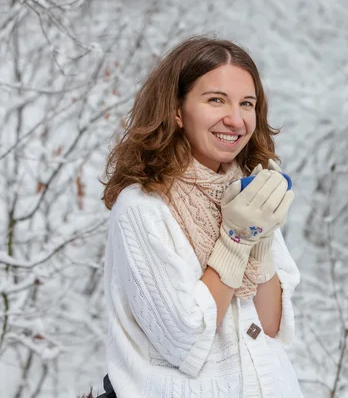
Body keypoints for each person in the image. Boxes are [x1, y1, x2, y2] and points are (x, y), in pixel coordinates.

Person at [100, 36, 303, 397]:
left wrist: (261, 235)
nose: (236, 119)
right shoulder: (142, 208)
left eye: (247, 103)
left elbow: (268, 325)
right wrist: (237, 239)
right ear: (177, 110)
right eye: (216, 100)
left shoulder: (246, 194)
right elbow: (184, 338)